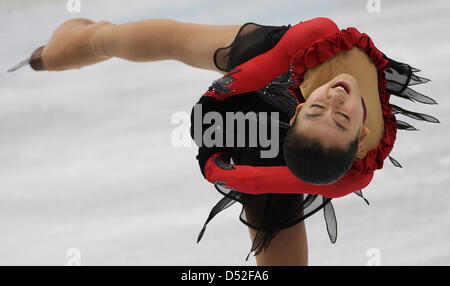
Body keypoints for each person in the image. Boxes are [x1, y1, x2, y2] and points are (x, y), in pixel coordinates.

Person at [17, 17, 438, 266]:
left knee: (274, 211)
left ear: (361, 134)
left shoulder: (351, 168)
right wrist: (214, 161)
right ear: (296, 112)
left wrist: (220, 165)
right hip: (265, 70)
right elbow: (219, 98)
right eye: (326, 108)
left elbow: (263, 179)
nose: (337, 98)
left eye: (338, 114)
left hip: (262, 138)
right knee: (120, 40)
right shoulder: (317, 37)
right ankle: (58, 52)